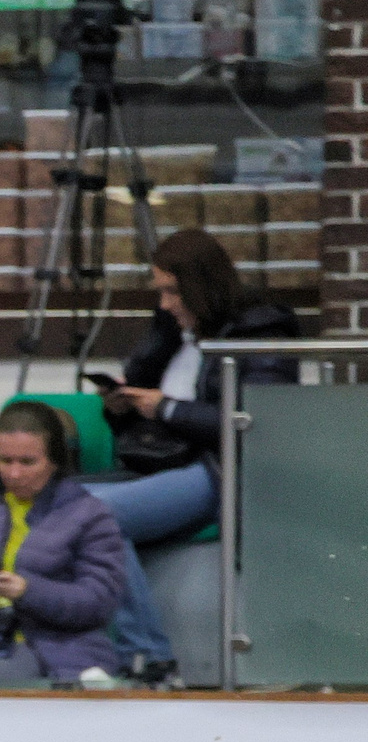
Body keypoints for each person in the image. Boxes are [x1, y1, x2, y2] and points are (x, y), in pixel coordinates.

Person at [86, 227, 301, 677]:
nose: (164, 304)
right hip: (163, 462)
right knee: (54, 503)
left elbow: (259, 419)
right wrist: (124, 407)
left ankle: (150, 658)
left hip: (219, 469)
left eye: (171, 291)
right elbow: (151, 416)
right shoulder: (171, 334)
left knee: (97, 515)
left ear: (200, 286)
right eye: (159, 292)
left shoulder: (260, 329)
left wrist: (164, 407)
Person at [0, 400, 129, 685]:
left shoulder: (90, 515)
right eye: (6, 461)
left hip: (64, 654)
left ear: (55, 460)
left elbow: (98, 603)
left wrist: (28, 591)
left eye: (28, 462)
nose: (14, 473)